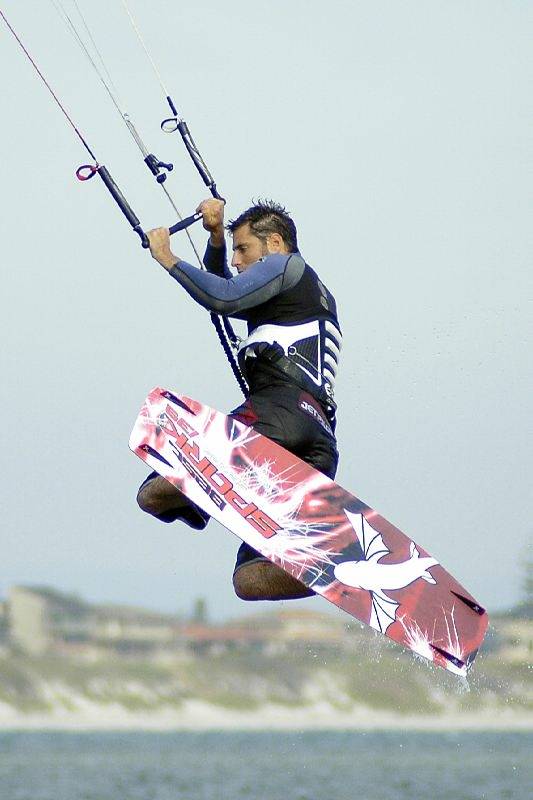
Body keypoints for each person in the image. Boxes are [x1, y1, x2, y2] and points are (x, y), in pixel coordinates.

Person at [138, 198, 342, 602]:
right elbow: (229, 295)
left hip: (276, 417)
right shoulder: (300, 294)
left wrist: (170, 259)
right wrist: (214, 237)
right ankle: (331, 569)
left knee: (154, 492)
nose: (237, 261)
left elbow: (225, 298)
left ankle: (201, 502)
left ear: (277, 243)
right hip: (318, 441)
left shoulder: (287, 266)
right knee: (250, 580)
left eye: (243, 249)